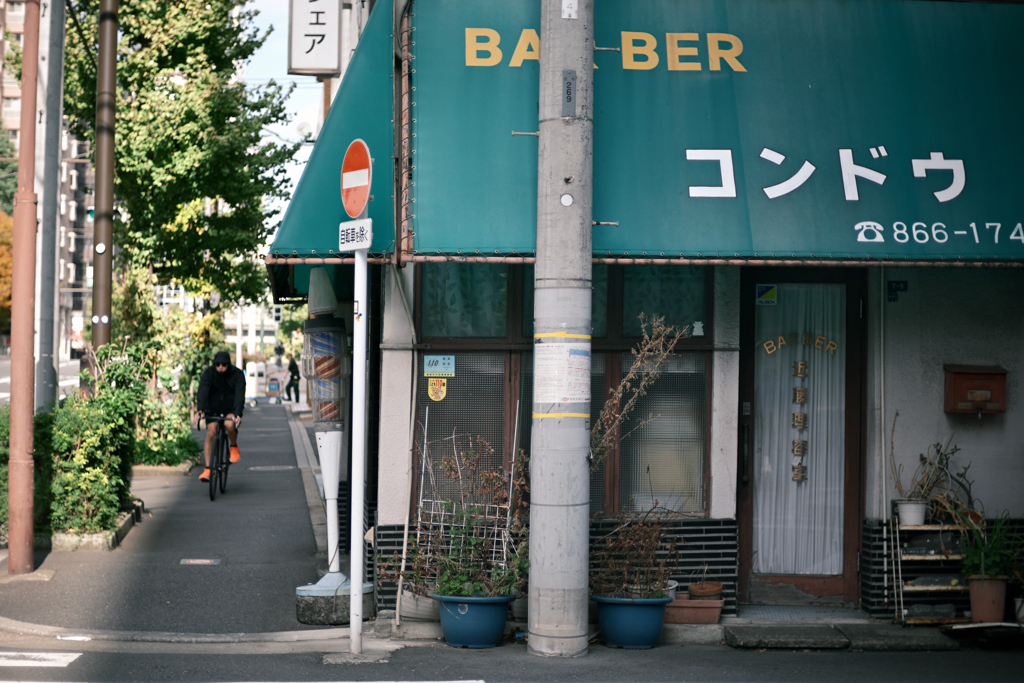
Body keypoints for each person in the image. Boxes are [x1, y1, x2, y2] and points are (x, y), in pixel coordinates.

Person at [196, 351, 245, 482]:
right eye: (218, 364)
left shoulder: (237, 375)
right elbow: (203, 391)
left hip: (230, 408)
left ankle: (233, 446)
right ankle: (207, 469)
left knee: (229, 424)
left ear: (228, 364)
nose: (221, 367)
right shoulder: (209, 374)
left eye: (224, 364)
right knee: (211, 432)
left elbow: (240, 394)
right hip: (213, 408)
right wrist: (200, 410)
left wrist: (238, 413)